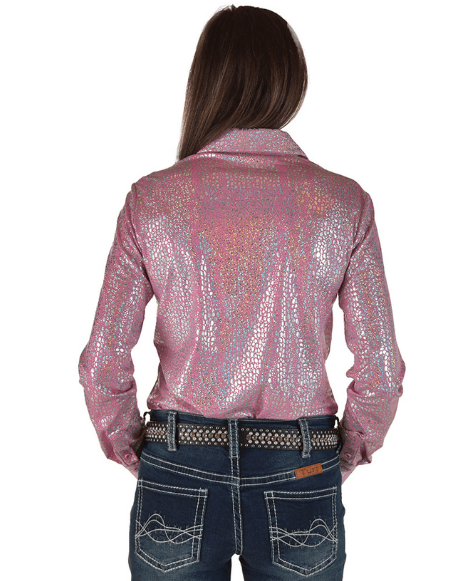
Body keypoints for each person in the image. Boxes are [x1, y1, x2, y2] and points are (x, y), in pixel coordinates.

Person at [78, 5, 406, 580]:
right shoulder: (343, 203)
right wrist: (341, 455)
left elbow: (102, 363)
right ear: (291, 81)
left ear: (203, 81)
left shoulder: (151, 201)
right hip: (300, 465)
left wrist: (142, 454)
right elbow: (381, 368)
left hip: (179, 459)